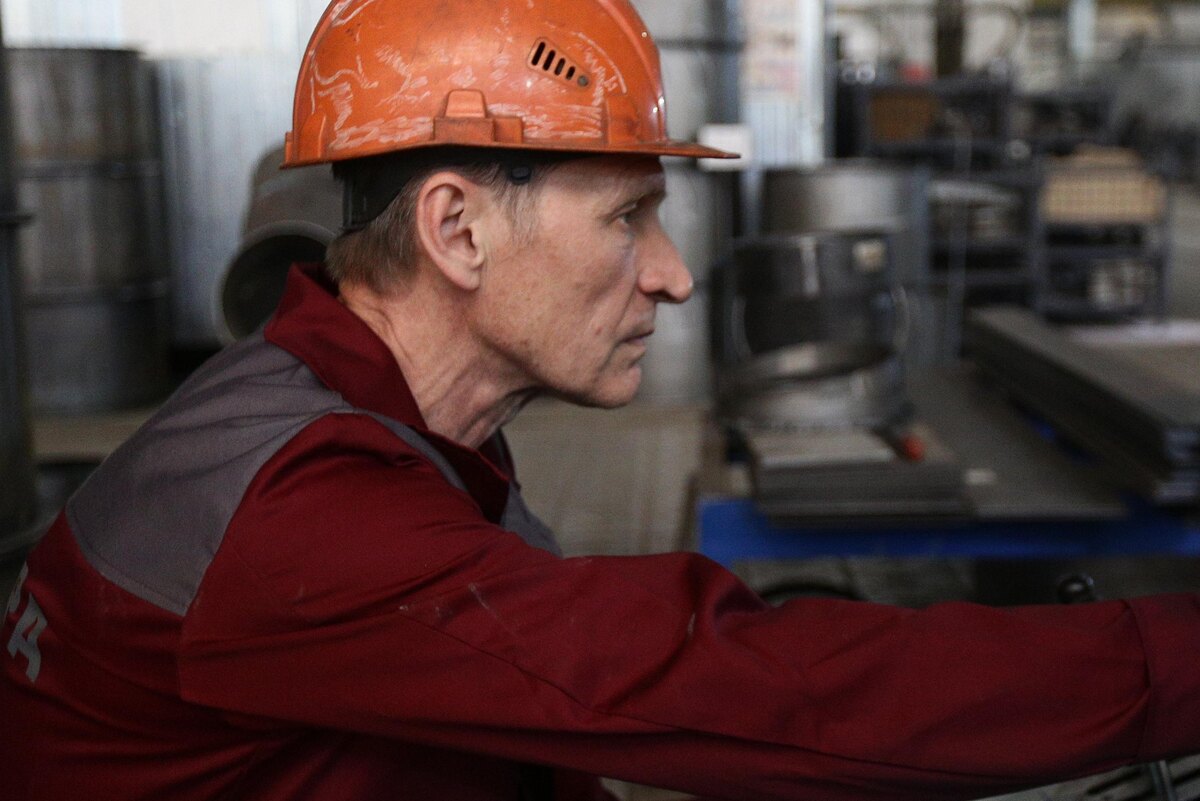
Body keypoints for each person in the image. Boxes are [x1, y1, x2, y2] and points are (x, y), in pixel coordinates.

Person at [2, 1, 1198, 799]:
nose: (673, 275)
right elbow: (738, 687)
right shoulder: (302, 511)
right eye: (628, 217)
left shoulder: (370, 418)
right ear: (458, 229)